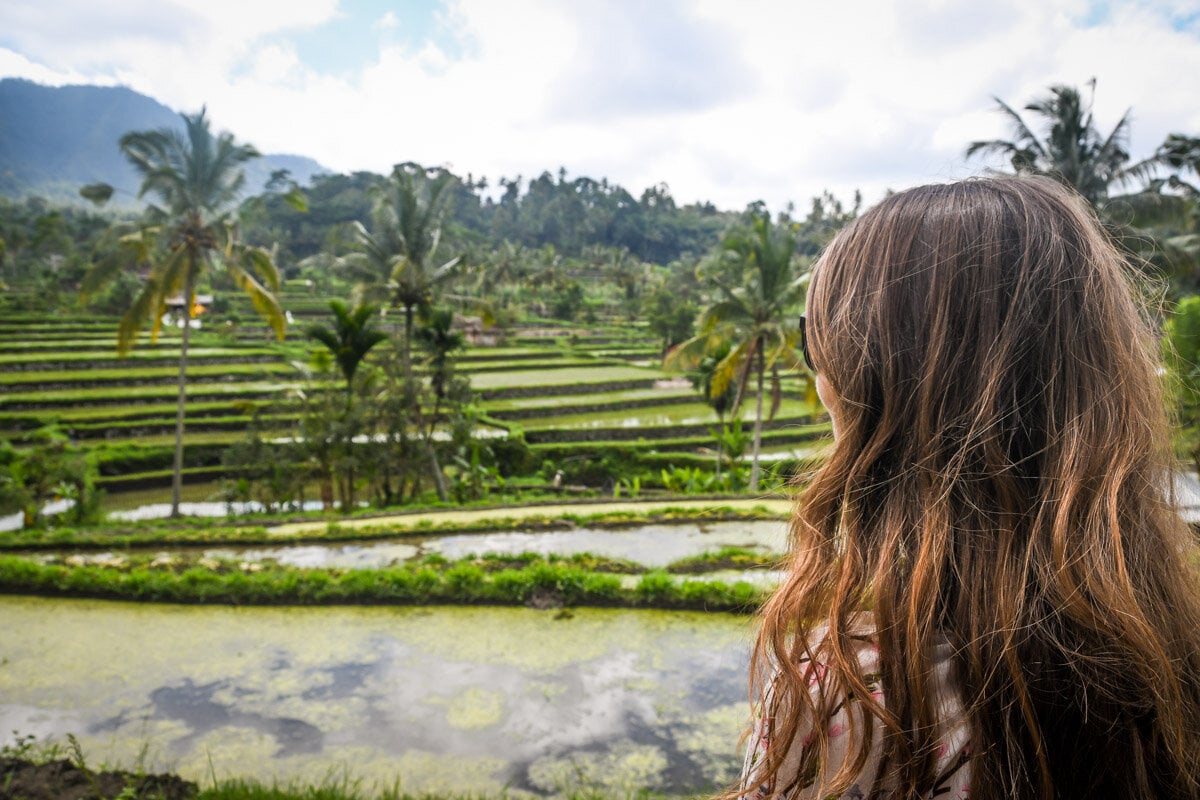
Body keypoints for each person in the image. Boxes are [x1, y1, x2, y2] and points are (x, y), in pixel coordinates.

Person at [738, 176, 1200, 800]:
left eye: (814, 341)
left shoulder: (849, 693)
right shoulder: (1170, 639)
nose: (817, 369)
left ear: (874, 382)